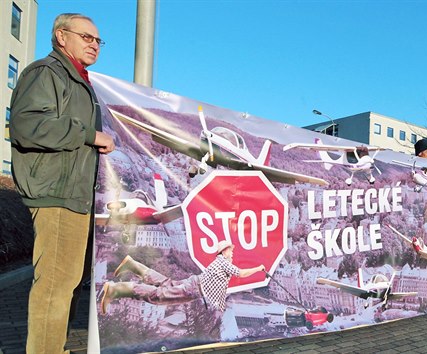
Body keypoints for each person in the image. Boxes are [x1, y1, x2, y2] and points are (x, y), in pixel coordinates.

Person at [9, 13, 115, 353]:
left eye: (98, 40)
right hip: (58, 194)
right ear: (61, 36)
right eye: (86, 37)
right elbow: (28, 125)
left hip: (78, 196)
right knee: (55, 286)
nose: (94, 45)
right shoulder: (47, 73)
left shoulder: (81, 82)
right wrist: (88, 134)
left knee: (69, 285)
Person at [100, 240, 265, 313]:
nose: (233, 252)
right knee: (158, 296)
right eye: (231, 250)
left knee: (166, 284)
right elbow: (242, 273)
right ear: (224, 251)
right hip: (194, 289)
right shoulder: (224, 262)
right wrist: (259, 268)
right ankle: (116, 289)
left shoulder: (220, 261)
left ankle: (133, 265)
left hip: (194, 283)